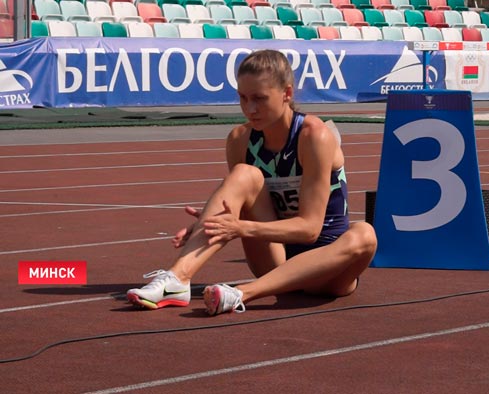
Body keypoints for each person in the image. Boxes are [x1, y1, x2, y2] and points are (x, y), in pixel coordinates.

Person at [126, 50, 378, 315]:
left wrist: (239, 227)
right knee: (244, 174)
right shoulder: (239, 140)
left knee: (365, 234)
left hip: (327, 270)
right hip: (275, 259)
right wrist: (207, 225)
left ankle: (241, 293)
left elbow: (310, 230)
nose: (250, 109)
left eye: (259, 98)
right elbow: (236, 205)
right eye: (243, 98)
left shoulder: (314, 136)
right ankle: (177, 278)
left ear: (287, 94)